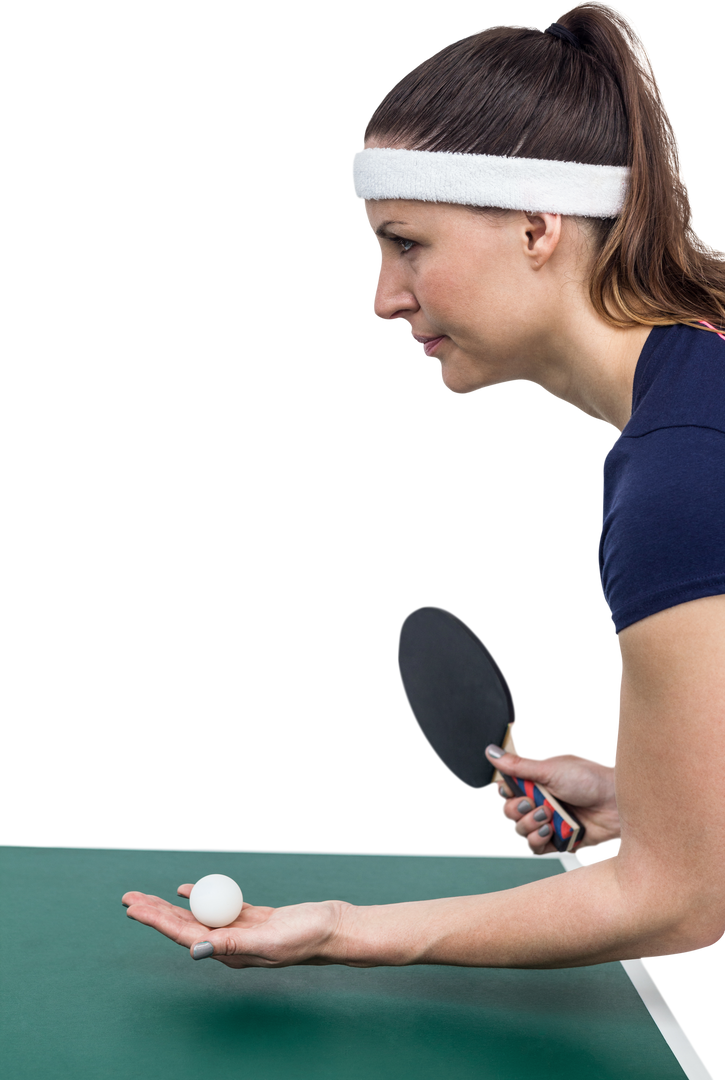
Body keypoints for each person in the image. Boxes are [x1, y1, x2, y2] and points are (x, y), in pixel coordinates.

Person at [123, 4, 724, 970]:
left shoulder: (682, 472)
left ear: (537, 227)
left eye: (407, 243)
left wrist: (343, 929)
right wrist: (663, 794)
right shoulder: (707, 378)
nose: (381, 296)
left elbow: (679, 902)